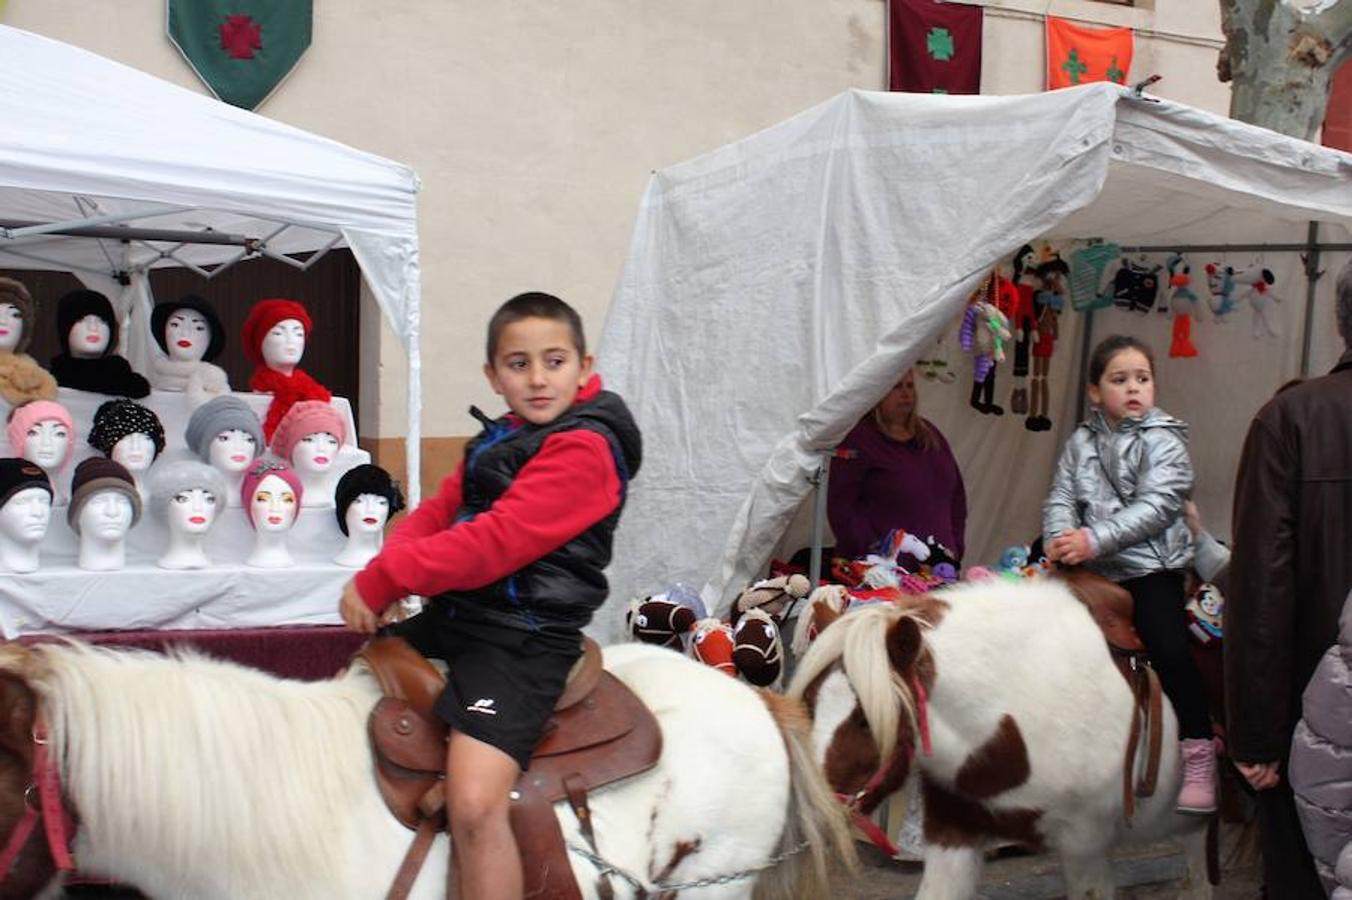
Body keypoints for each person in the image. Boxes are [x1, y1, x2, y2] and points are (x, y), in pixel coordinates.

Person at [338, 291, 642, 900]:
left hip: (523, 638)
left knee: (476, 801)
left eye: (554, 361)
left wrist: (384, 580)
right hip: (463, 615)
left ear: (585, 367)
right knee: (353, 686)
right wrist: (390, 561)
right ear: (493, 376)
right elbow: (441, 510)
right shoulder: (500, 437)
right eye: (519, 363)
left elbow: (494, 543)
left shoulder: (585, 448)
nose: (537, 378)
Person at [1043, 334, 1214, 813]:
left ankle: (1198, 752)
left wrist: (1092, 540)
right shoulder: (1081, 441)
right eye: (1120, 380)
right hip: (1094, 565)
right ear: (1096, 391)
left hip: (1151, 565)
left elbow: (1158, 506)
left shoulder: (1166, 439)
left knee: (1169, 645)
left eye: (1143, 378)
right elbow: (1060, 495)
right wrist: (1059, 538)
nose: (1134, 387)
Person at [1226, 259, 1352, 898]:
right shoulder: (1291, 421)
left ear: (1339, 322)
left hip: (1313, 724)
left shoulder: (1289, 419)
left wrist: (1254, 735)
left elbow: (1259, 593)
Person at [827, 368, 966, 566]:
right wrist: (871, 550)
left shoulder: (930, 435)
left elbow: (956, 497)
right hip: (882, 572)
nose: (906, 393)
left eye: (910, 386)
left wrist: (956, 548)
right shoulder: (859, 439)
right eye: (896, 387)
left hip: (938, 567)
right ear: (878, 391)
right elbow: (841, 506)